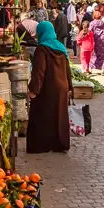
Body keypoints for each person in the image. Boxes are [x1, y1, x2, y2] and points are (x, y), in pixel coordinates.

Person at [27, 21, 73, 154]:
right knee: (59, 116)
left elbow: (39, 71)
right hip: (62, 87)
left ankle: (42, 145)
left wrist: (34, 90)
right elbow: (67, 69)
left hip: (48, 88)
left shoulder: (42, 49)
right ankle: (60, 144)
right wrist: (69, 87)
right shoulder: (60, 47)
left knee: (43, 116)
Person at [88, 10, 104, 75]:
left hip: (95, 40)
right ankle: (102, 70)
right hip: (103, 41)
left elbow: (89, 32)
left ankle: (90, 69)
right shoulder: (103, 23)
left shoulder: (92, 23)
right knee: (103, 56)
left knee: (93, 55)